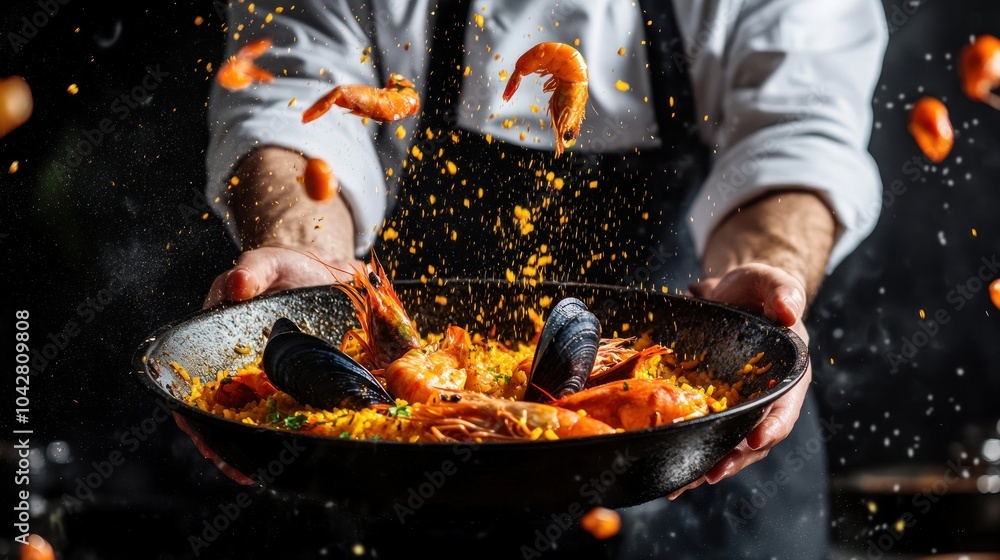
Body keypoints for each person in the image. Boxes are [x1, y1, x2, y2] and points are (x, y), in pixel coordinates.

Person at [197, 0, 887, 557]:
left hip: (690, 480)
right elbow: (290, 86)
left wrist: (760, 279)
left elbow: (800, 125)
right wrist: (301, 252)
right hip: (390, 494)